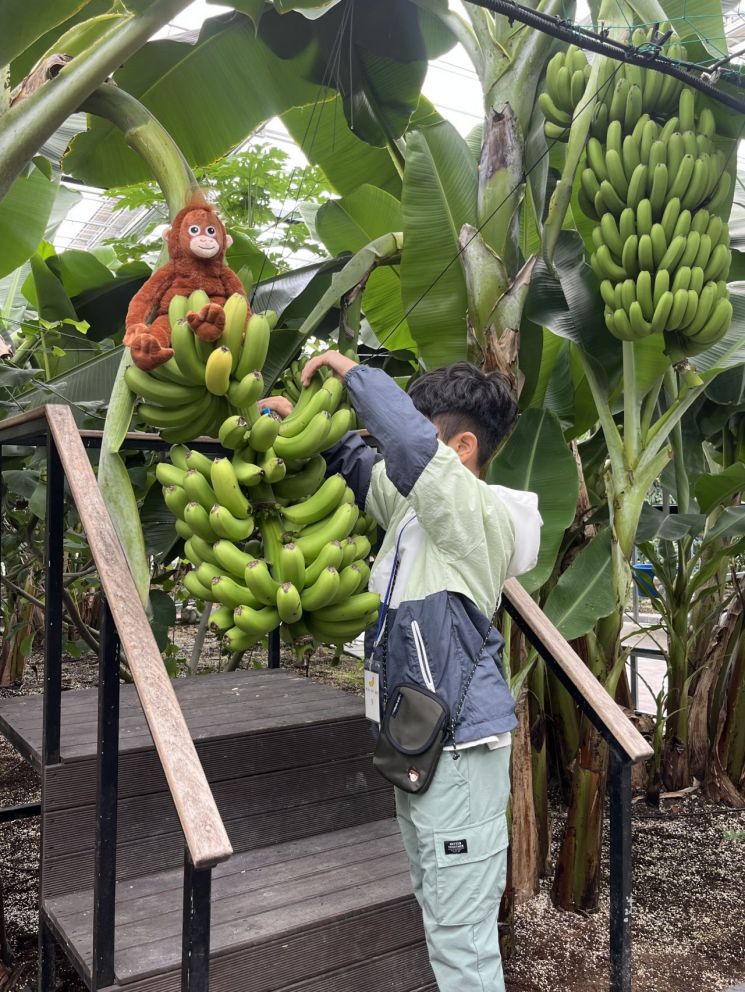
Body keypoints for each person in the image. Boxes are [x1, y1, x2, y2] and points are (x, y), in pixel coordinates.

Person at [298, 351, 543, 992]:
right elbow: (369, 470)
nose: (398, 443)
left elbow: (405, 445)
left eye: (421, 429)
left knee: (463, 945)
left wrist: (351, 372)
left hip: (459, 750)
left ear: (461, 449)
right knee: (439, 916)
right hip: (417, 744)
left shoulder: (475, 516)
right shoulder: (416, 512)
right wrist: (299, 422)